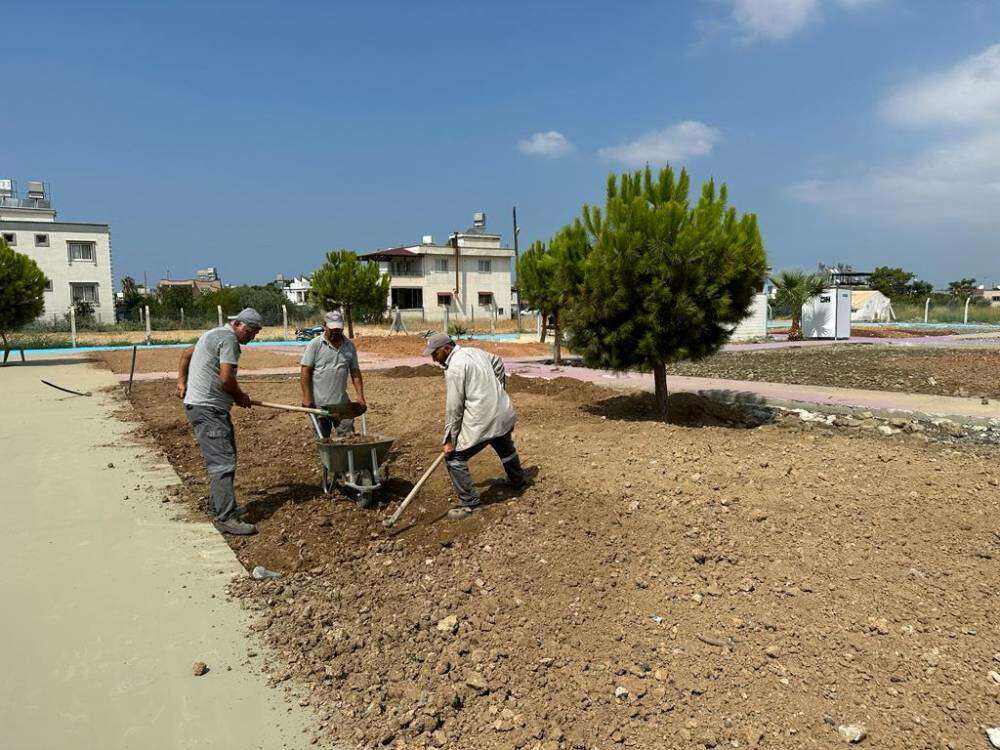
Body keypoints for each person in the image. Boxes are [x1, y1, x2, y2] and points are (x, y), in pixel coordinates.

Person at [176, 308, 263, 536]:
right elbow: (226, 379)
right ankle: (225, 518)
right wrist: (240, 396)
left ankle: (221, 506)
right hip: (209, 410)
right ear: (239, 325)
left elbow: (187, 353)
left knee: (226, 456)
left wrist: (181, 382)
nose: (251, 338)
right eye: (251, 332)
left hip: (204, 407)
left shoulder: (212, 334)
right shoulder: (229, 340)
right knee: (223, 462)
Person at [423, 332, 528, 519]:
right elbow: (497, 361)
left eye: (435, 354)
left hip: (484, 420)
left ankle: (470, 505)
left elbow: (454, 407)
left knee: (454, 458)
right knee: (503, 443)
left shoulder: (455, 367)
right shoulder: (474, 351)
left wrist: (450, 439)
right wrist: (497, 390)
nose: (433, 359)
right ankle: (518, 481)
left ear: (446, 348)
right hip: (502, 412)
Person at [300, 310, 366, 437]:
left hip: (342, 404)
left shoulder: (349, 346)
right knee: (322, 438)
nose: (336, 331)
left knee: (348, 437)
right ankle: (327, 457)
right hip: (319, 405)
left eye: (339, 328)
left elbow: (355, 372)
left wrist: (360, 396)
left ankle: (346, 457)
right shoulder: (315, 345)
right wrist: (306, 397)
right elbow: (305, 372)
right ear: (324, 326)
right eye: (332, 328)